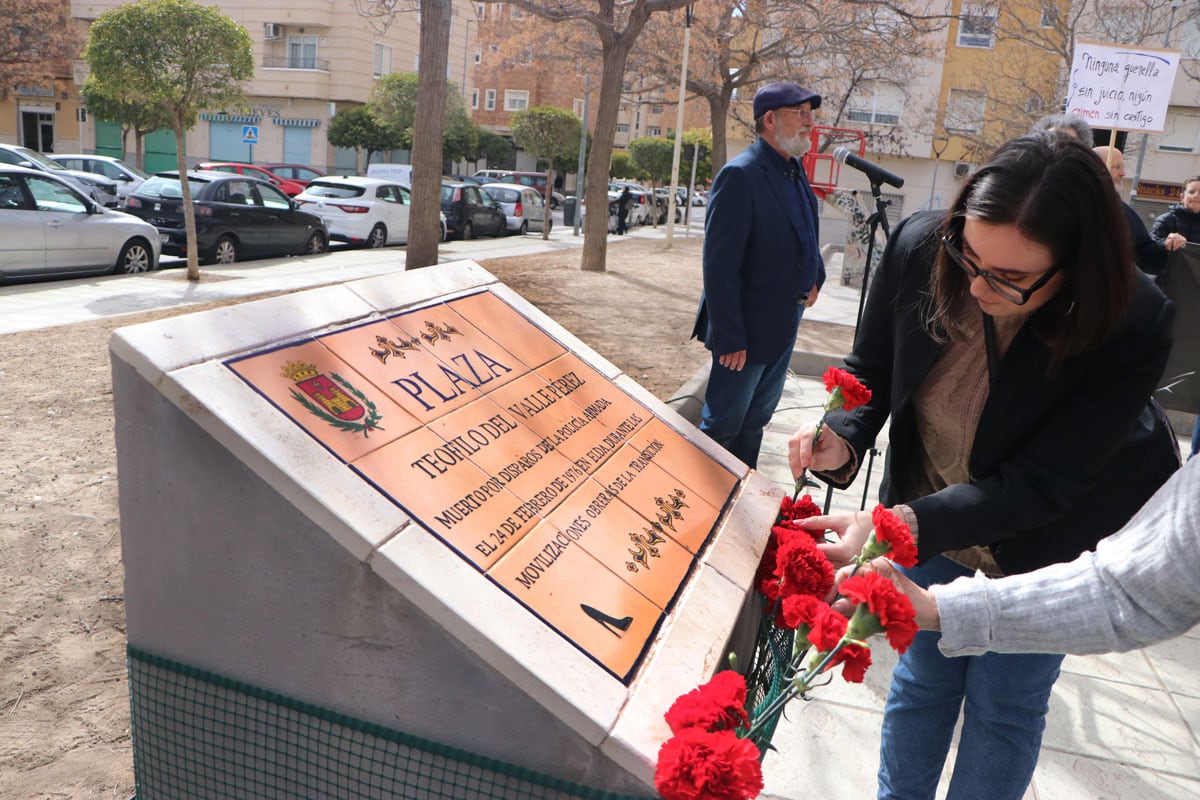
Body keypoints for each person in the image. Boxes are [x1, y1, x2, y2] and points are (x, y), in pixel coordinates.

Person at [787, 132, 1178, 800]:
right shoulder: (918, 247)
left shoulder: (1130, 319)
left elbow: (1042, 484)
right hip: (931, 508)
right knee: (920, 683)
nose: (976, 285)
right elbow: (873, 369)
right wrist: (844, 433)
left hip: (1039, 537)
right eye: (968, 256)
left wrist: (895, 526)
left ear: (1076, 265)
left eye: (1011, 277)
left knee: (1007, 704)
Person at [842, 454, 1199, 657]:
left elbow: (1129, 593)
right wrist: (935, 606)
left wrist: (902, 524)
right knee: (922, 682)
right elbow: (1122, 591)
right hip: (940, 527)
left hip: (1048, 547)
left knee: (1005, 709)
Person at [691, 81, 825, 468]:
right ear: (770, 119)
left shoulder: (794, 170)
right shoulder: (741, 175)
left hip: (783, 323)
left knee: (754, 424)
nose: (809, 122)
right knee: (723, 427)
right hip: (744, 334)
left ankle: (739, 506)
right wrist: (731, 337)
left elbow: (807, 230)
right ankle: (701, 510)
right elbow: (719, 265)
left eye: (810, 114)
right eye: (800, 113)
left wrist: (815, 276)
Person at [1150, 176, 1200, 459]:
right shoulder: (1168, 220)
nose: (1196, 197)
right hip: (1170, 307)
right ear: (1182, 194)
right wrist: (1165, 245)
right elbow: (1149, 250)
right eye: (1191, 192)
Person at [1094, 145, 1167, 280]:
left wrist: (1166, 247)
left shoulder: (1123, 211)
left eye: (1122, 167)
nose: (1123, 173)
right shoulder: (1073, 206)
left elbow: (1145, 254)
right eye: (1116, 167)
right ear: (1095, 169)